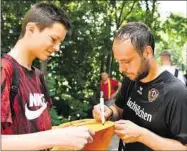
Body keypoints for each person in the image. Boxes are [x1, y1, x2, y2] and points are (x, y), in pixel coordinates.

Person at [1, 2, 95, 150]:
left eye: (60, 42)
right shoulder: (4, 70)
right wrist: (55, 137)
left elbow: (41, 130)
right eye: (53, 39)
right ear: (31, 29)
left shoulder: (39, 76)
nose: (57, 48)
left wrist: (65, 134)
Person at [93, 22, 187, 150]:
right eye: (118, 62)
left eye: (126, 61)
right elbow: (118, 109)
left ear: (147, 52)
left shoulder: (177, 93)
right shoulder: (131, 78)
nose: (121, 69)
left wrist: (142, 135)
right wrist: (108, 112)